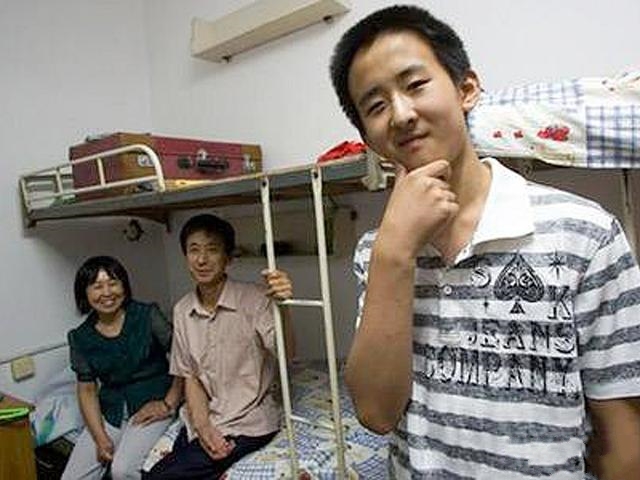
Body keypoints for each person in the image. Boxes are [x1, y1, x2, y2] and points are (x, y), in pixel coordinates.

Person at [329, 5, 640, 480]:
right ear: (368, 139)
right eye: (376, 106)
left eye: (416, 85)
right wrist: (394, 253)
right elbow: (376, 412)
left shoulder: (585, 233)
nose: (402, 114)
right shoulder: (378, 250)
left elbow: (621, 437)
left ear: (467, 89)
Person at [143, 213, 295, 480]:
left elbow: (287, 354)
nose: (202, 260)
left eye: (212, 250)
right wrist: (203, 427)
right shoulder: (182, 310)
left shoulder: (255, 298)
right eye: (194, 250)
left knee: (158, 477)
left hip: (248, 420)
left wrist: (283, 307)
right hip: (205, 417)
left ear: (228, 258)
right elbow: (190, 376)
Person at [63, 256, 183, 480]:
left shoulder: (147, 315)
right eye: (97, 286)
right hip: (113, 411)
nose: (107, 292)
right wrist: (100, 437)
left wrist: (169, 403)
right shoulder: (80, 337)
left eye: (113, 283)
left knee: (122, 470)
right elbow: (87, 390)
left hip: (153, 403)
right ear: (84, 293)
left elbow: (183, 358)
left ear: (124, 286)